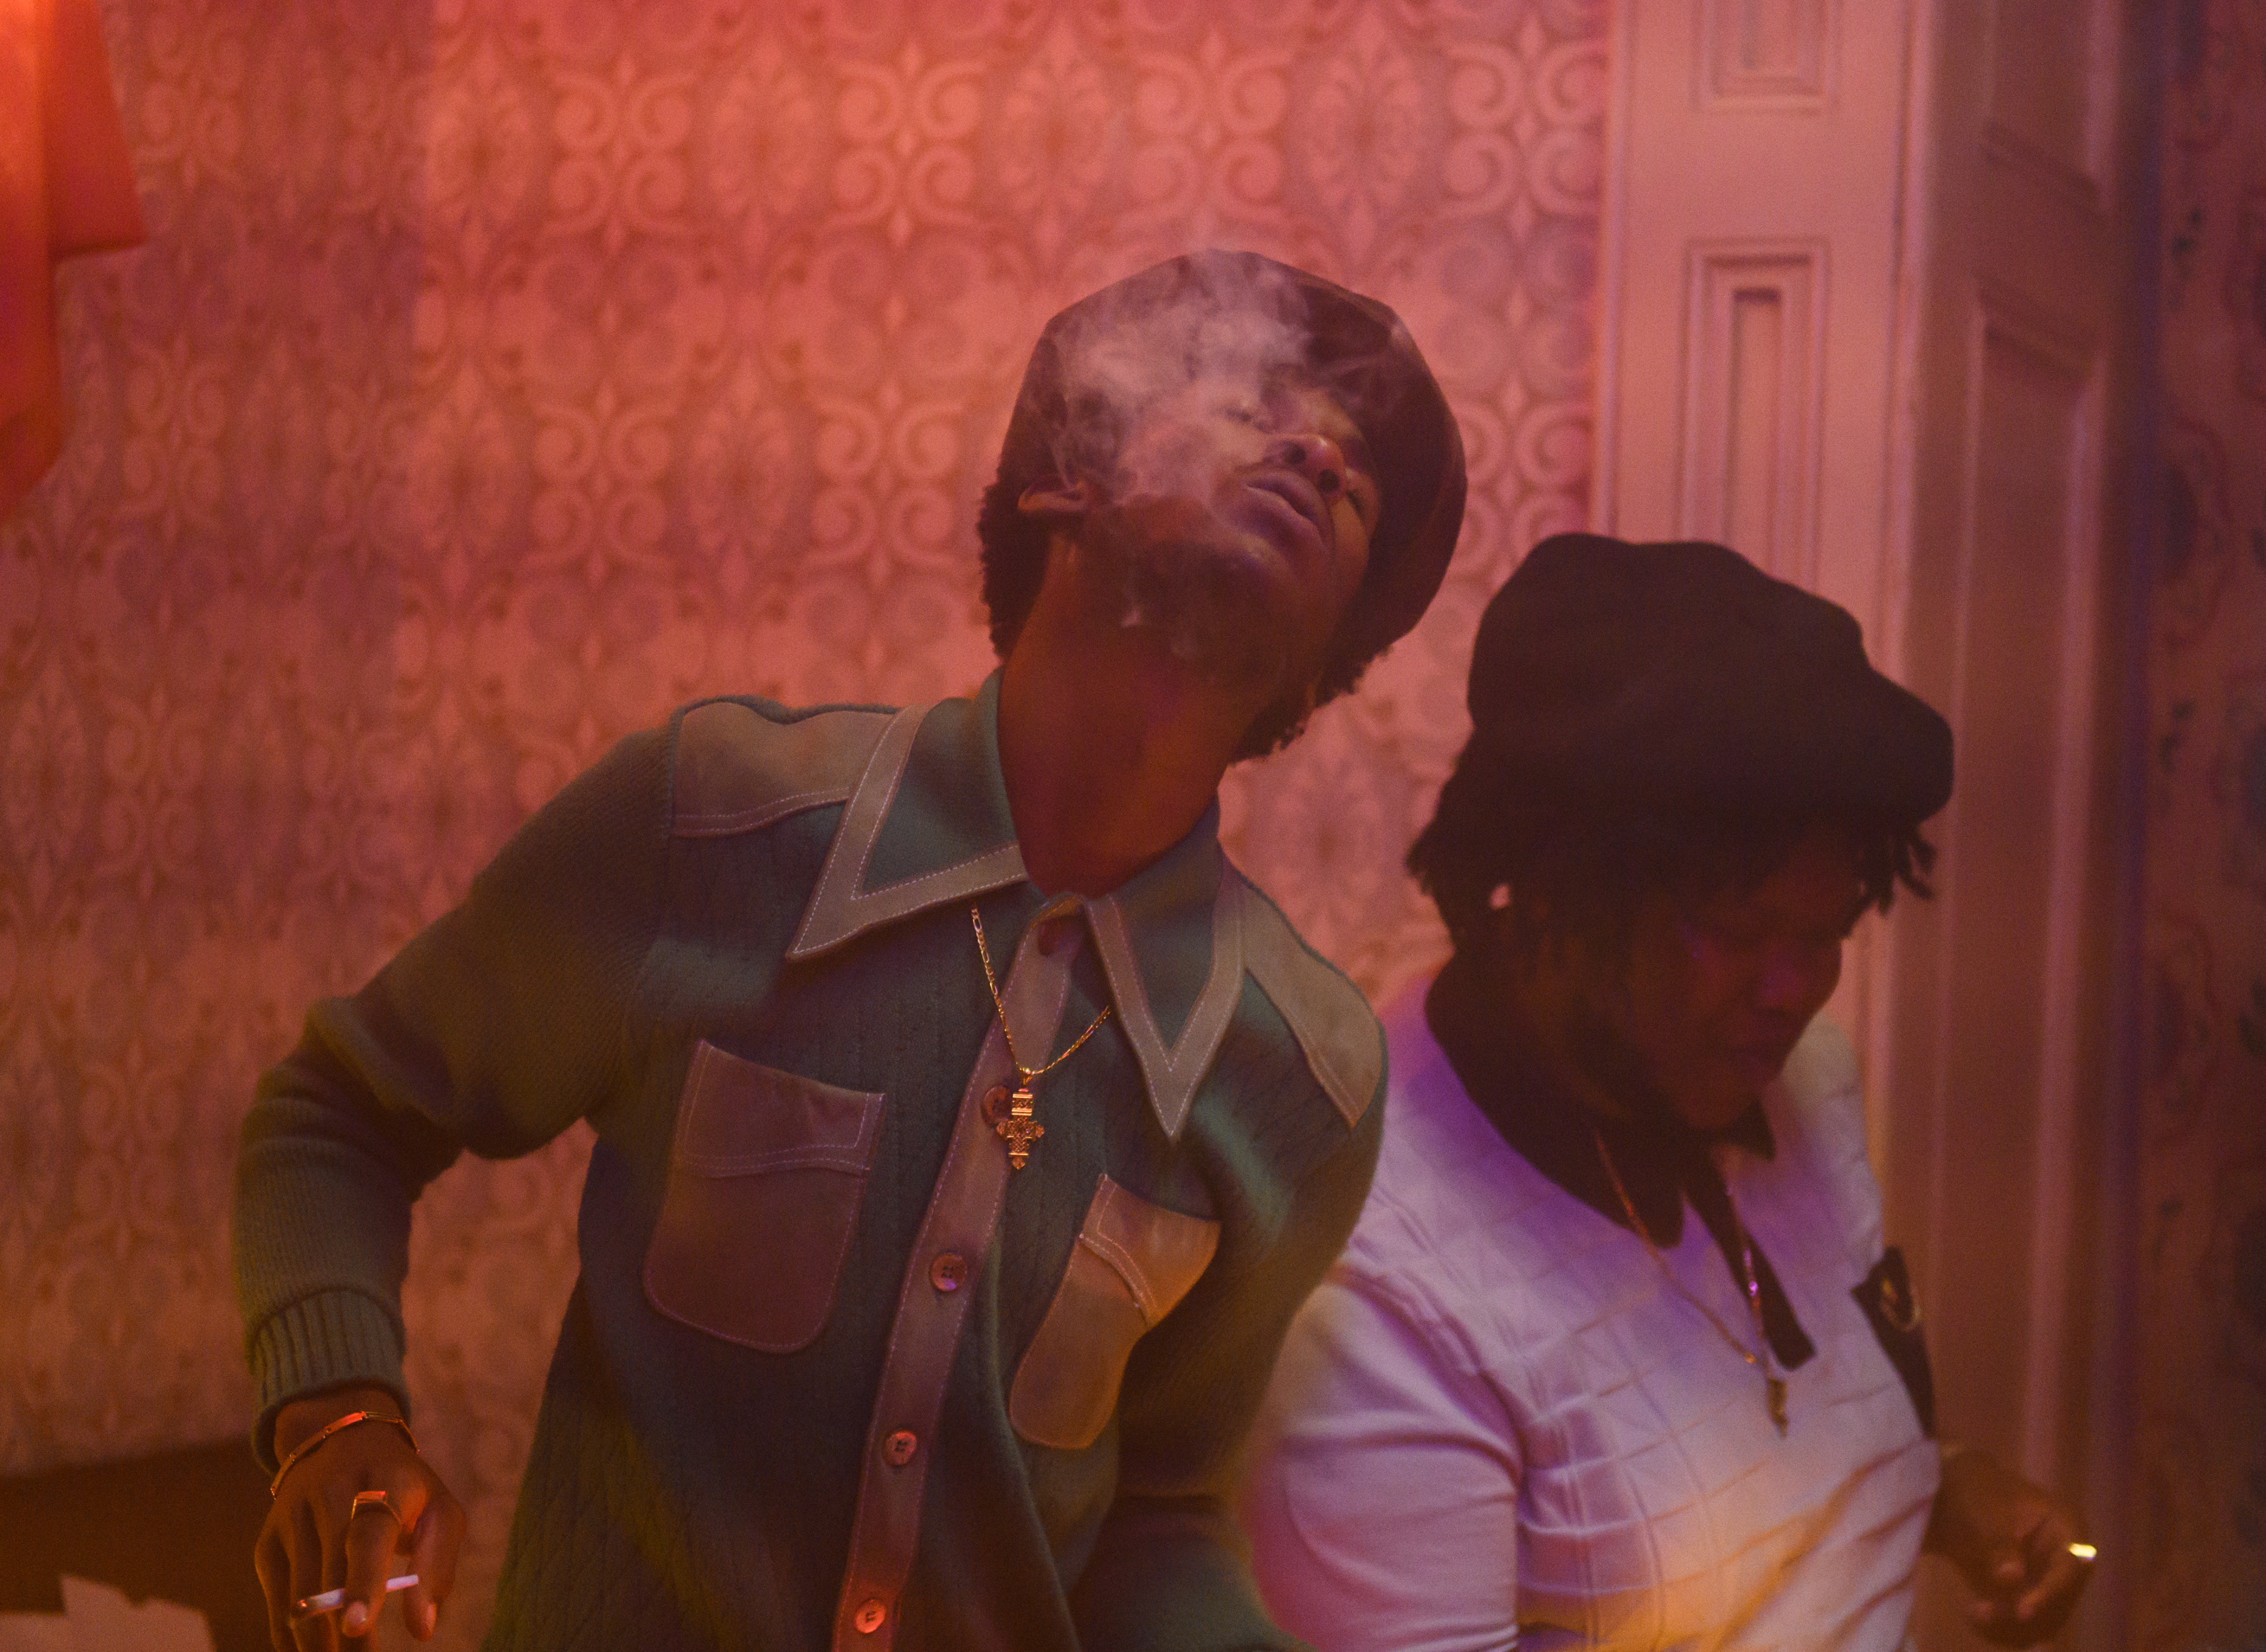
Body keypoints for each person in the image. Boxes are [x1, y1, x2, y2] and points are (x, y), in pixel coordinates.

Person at [230, 249, 1466, 1652]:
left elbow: (1157, 1512)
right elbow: (336, 1110)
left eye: (1357, 483)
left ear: (1323, 665)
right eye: (1253, 401)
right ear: (1067, 474)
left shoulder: (1303, 1074)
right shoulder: (711, 820)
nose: (1318, 452)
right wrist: (335, 1416)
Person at [1238, 534, 2093, 1650]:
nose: (1792, 993)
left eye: (1825, 934)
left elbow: (1746, 1463)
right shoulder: (1372, 1292)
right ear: (1566, 891)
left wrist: (1951, 1487)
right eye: (1739, 929)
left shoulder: (1799, 1079)